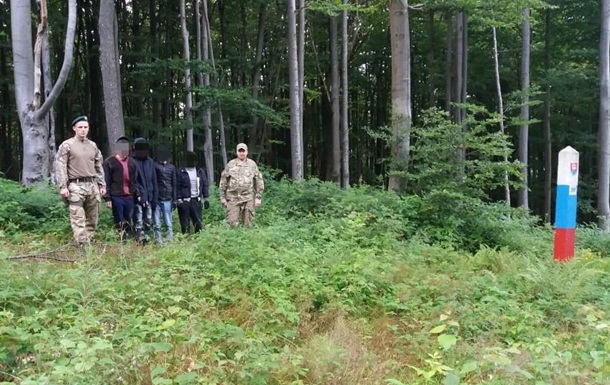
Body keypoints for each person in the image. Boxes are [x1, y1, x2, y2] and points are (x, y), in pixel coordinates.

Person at [54, 115, 106, 245]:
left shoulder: (93, 146)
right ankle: (81, 244)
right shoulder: (67, 145)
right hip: (75, 186)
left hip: (92, 185)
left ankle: (88, 242)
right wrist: (63, 186)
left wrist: (102, 184)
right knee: (78, 217)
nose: (83, 130)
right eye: (80, 127)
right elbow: (60, 165)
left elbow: (98, 165)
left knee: (93, 217)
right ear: (74, 128)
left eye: (85, 127)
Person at [219, 143, 264, 228]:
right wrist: (222, 197)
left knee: (248, 224)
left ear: (247, 152)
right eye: (240, 151)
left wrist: (258, 197)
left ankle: (247, 240)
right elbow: (223, 181)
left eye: (243, 151)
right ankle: (233, 240)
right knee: (232, 223)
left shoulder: (252, 165)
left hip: (248, 198)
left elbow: (258, 181)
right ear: (237, 152)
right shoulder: (230, 164)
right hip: (233, 198)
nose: (242, 153)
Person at [102, 136, 139, 242]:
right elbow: (106, 180)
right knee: (119, 219)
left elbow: (135, 180)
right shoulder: (109, 162)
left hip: (129, 196)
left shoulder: (132, 162)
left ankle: (130, 239)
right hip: (116, 195)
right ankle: (121, 240)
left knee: (128, 218)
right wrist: (107, 198)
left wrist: (137, 193)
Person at [132, 137, 158, 244]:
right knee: (138, 220)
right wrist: (139, 195)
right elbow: (133, 181)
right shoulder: (132, 161)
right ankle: (139, 241)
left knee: (148, 220)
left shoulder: (150, 161)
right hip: (137, 198)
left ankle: (146, 239)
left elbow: (154, 180)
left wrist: (154, 198)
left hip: (150, 197)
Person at [176, 151, 209, 234]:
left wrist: (206, 198)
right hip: (184, 201)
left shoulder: (200, 172)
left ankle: (198, 240)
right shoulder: (180, 172)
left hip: (196, 200)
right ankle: (185, 241)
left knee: (198, 223)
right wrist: (179, 200)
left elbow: (204, 185)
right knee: (185, 224)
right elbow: (177, 186)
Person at [153, 145, 177, 245]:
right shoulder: (155, 166)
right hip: (157, 198)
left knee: (168, 223)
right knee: (157, 223)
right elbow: (153, 182)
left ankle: (169, 242)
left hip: (168, 198)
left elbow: (174, 183)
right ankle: (158, 242)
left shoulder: (171, 167)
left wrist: (175, 199)